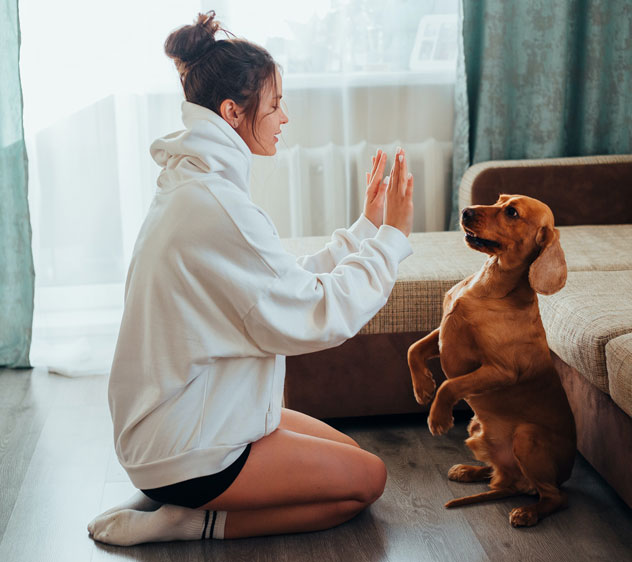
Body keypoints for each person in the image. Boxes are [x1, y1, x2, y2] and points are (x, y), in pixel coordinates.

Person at [87, 11, 414, 546]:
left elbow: (275, 284)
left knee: (351, 460)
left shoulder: (198, 186)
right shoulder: (215, 205)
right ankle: (190, 518)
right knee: (367, 481)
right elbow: (315, 313)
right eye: (276, 103)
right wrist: (393, 239)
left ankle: (172, 497)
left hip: (186, 419)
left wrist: (366, 228)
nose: (285, 118)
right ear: (232, 112)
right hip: (185, 447)